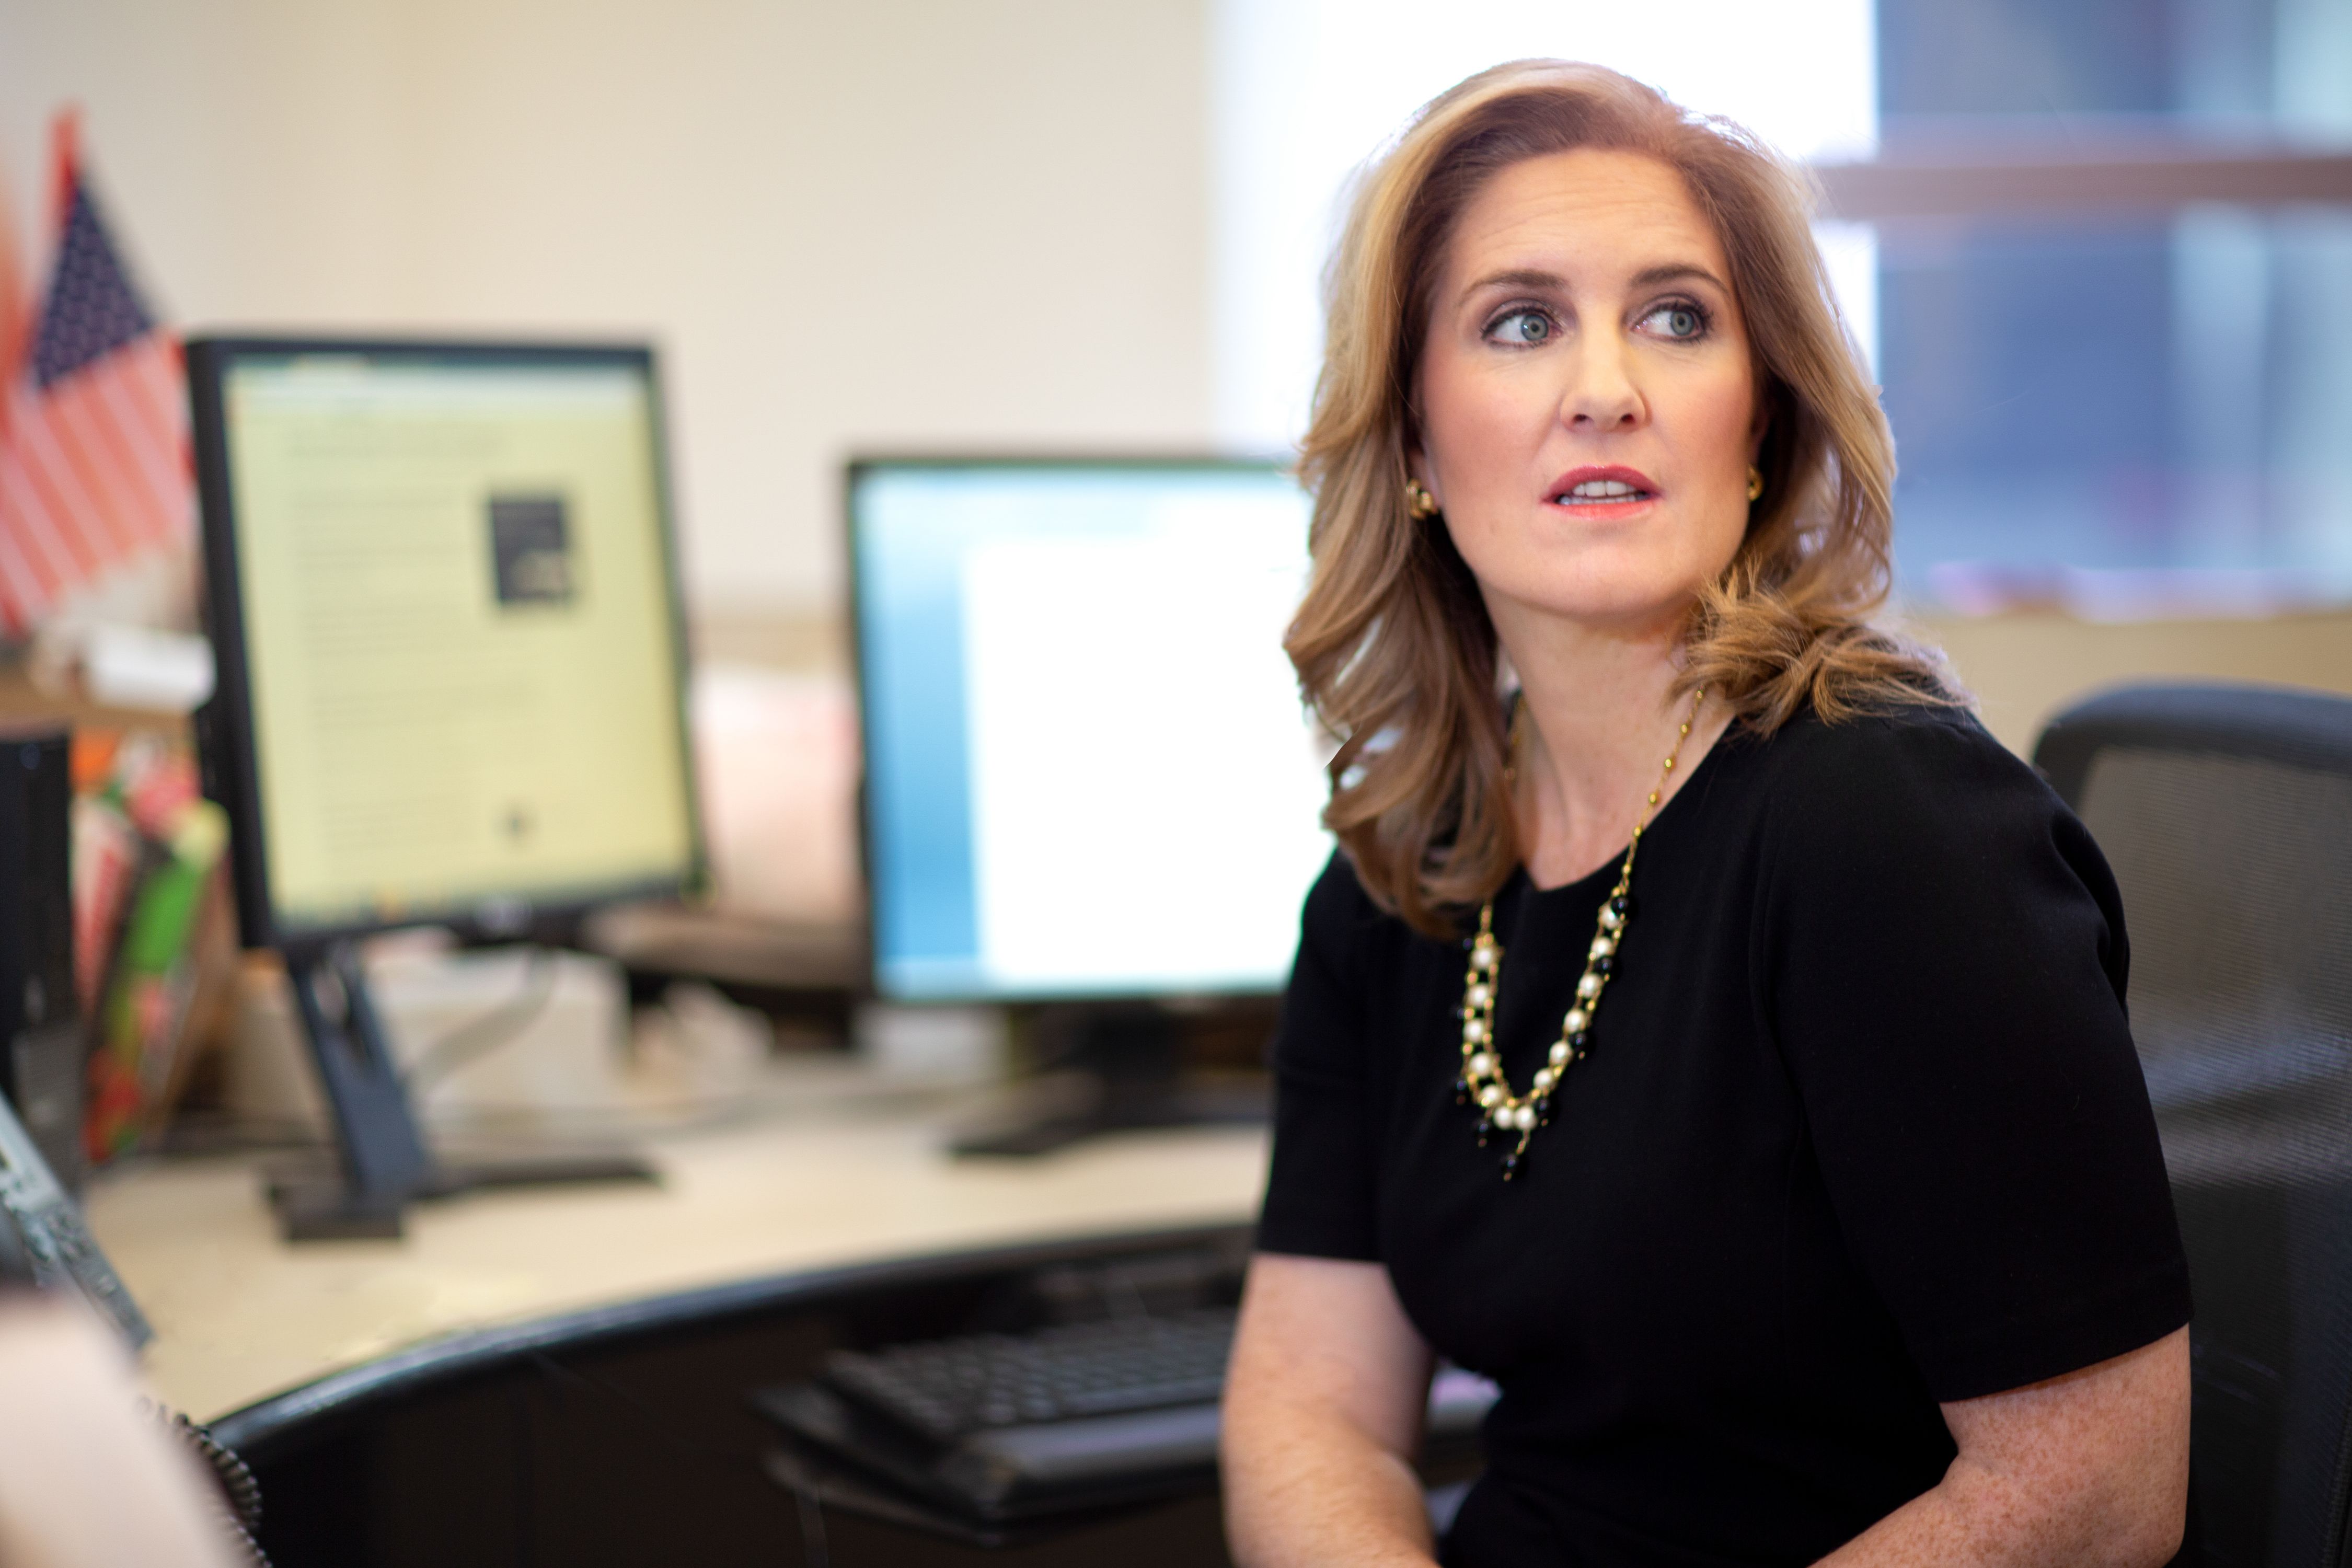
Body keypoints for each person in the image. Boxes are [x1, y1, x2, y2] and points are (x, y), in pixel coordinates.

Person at [1220, 61, 2192, 1568]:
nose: (1604, 385)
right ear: (1413, 442)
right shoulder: (1403, 875)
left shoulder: (1884, 822)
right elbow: (1307, 1406)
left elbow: (2092, 1497)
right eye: (1520, 321)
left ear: (1753, 426)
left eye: (1675, 317)